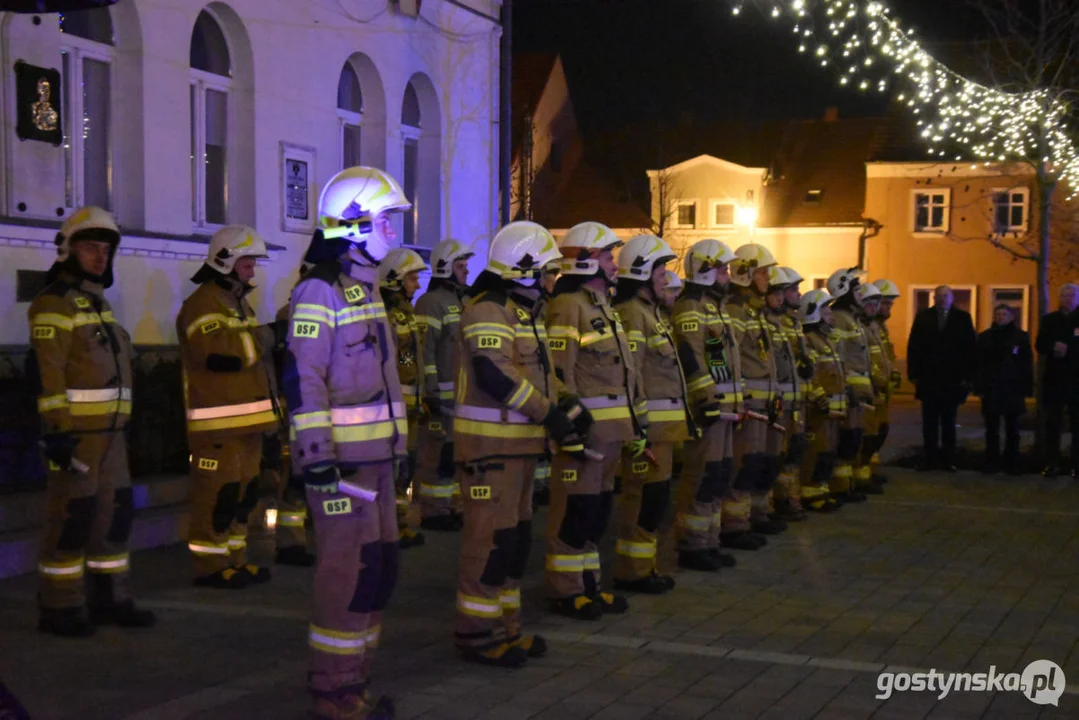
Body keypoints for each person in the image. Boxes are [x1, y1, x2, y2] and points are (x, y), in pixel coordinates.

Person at [283, 166, 412, 720]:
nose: (392, 230)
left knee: (378, 571)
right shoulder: (318, 291)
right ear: (354, 224)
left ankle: (354, 682)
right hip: (341, 471)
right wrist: (316, 460)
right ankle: (333, 692)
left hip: (377, 464)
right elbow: (302, 378)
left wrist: (400, 450)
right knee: (348, 575)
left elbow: (383, 383)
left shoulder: (367, 289)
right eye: (385, 219)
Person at [29, 206, 155, 636]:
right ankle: (60, 606)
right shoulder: (53, 304)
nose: (100, 258)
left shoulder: (99, 305)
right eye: (90, 249)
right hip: (76, 438)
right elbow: (50, 375)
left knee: (115, 520)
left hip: (111, 436)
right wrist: (57, 434)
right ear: (68, 251)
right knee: (71, 519)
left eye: (105, 250)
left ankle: (110, 599)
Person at [452, 221, 565, 667]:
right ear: (524, 270)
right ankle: (477, 634)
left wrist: (565, 409)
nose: (553, 280)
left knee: (513, 542)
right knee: (489, 543)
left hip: (517, 447)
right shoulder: (488, 310)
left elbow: (539, 378)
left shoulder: (524, 313)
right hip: (489, 450)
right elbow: (495, 375)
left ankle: (505, 627)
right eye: (548, 271)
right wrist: (549, 413)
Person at [545, 221, 641, 620]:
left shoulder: (603, 307)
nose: (614, 264)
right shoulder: (568, 306)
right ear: (587, 261)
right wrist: (570, 426)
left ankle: (589, 584)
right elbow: (558, 373)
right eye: (608, 256)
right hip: (588, 433)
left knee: (597, 512)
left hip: (613, 432)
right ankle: (566, 591)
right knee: (575, 512)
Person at [178, 225, 281, 589]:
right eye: (248, 261)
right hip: (217, 427)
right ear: (226, 261)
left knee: (243, 495)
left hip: (246, 424)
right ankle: (210, 566)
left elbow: (249, 352)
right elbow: (220, 355)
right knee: (217, 496)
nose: (253, 269)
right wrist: (269, 336)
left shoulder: (236, 301)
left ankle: (236, 560)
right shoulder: (203, 303)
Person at [610, 234, 687, 592]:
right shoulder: (631, 314)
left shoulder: (650, 314)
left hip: (663, 428)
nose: (665, 279)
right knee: (642, 499)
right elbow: (633, 372)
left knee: (655, 500)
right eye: (660, 271)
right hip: (649, 428)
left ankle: (645, 567)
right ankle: (632, 570)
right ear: (641, 272)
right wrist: (637, 427)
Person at [672, 239, 744, 562]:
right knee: (702, 474)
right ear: (704, 271)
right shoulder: (691, 307)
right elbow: (692, 357)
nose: (728, 275)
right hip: (709, 409)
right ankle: (692, 543)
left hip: (725, 409)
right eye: (722, 269)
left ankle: (709, 540)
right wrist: (706, 398)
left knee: (719, 473)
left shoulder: (714, 307)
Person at [414, 239, 474, 531]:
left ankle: (451, 506)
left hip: (462, 399)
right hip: (441, 399)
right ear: (445, 268)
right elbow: (424, 350)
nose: (466, 272)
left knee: (454, 456)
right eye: (461, 266)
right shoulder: (430, 303)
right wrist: (431, 392)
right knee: (436, 455)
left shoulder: (463, 301)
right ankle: (434, 511)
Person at [727, 244, 785, 542]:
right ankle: (735, 526)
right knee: (744, 462)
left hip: (763, 402)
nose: (767, 277)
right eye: (763, 271)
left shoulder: (756, 312)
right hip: (749, 402)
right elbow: (727, 354)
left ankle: (751, 517)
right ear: (746, 273)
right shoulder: (736, 311)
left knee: (758, 461)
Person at [380, 248, 430, 550]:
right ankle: (387, 528)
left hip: (410, 408)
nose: (417, 285)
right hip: (393, 409)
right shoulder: (386, 314)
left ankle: (398, 525)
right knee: (390, 469)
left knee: (404, 470)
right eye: (412, 278)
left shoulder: (406, 312)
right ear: (395, 279)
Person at [907, 285, 977, 472]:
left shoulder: (963, 319)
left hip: (952, 380)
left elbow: (970, 349)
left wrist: (968, 377)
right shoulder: (923, 317)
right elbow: (914, 346)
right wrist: (913, 374)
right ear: (934, 298)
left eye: (946, 295)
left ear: (952, 298)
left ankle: (948, 459)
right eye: (939, 296)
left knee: (948, 421)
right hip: (929, 379)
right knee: (929, 422)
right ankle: (929, 458)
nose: (942, 299)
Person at [765, 267, 812, 522]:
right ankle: (776, 502)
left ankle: (786, 500)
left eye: (790, 290)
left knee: (795, 451)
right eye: (787, 290)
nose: (791, 295)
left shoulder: (791, 322)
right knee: (777, 454)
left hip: (795, 400)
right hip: (780, 400)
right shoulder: (773, 321)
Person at [826, 267, 874, 501]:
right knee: (843, 441)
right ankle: (839, 487)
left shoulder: (852, 319)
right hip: (847, 393)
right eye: (857, 289)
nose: (861, 293)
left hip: (856, 393)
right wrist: (847, 388)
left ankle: (847, 485)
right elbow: (839, 356)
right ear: (844, 291)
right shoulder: (840, 320)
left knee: (853, 439)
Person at [799, 289, 844, 512]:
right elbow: (811, 373)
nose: (831, 316)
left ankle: (821, 490)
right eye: (826, 312)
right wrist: (818, 397)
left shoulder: (826, 341)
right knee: (815, 452)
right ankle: (809, 493)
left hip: (831, 410)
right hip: (818, 410)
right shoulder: (810, 341)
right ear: (813, 314)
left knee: (827, 453)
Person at [975, 305, 1033, 474]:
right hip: (991, 388)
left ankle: (1012, 461)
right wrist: (979, 386)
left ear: (1011, 317)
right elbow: (979, 363)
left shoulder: (1020, 337)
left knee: (1012, 428)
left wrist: (1026, 387)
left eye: (1004, 314)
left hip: (1012, 388)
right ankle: (991, 461)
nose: (1001, 317)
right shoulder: (985, 337)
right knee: (991, 428)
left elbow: (1026, 363)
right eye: (998, 314)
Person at [1035, 283, 1079, 477]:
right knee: (1052, 424)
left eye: (1071, 295)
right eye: (1064, 295)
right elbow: (1040, 344)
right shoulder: (1050, 320)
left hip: (1076, 380)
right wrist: (1053, 347)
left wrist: (1069, 350)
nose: (1067, 298)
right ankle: (1052, 463)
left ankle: (1076, 464)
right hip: (1055, 379)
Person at [851, 283, 885, 496]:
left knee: (872, 435)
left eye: (876, 304)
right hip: (861, 388)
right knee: (859, 437)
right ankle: (856, 479)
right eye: (869, 304)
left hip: (873, 388)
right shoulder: (856, 326)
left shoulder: (871, 326)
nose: (874, 308)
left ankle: (863, 476)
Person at [870, 279, 902, 483]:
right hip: (874, 388)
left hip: (883, 389)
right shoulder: (870, 325)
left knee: (879, 430)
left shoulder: (881, 326)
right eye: (885, 303)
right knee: (870, 431)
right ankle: (864, 473)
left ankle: (870, 470)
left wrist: (893, 373)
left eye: (891, 304)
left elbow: (885, 356)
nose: (888, 308)